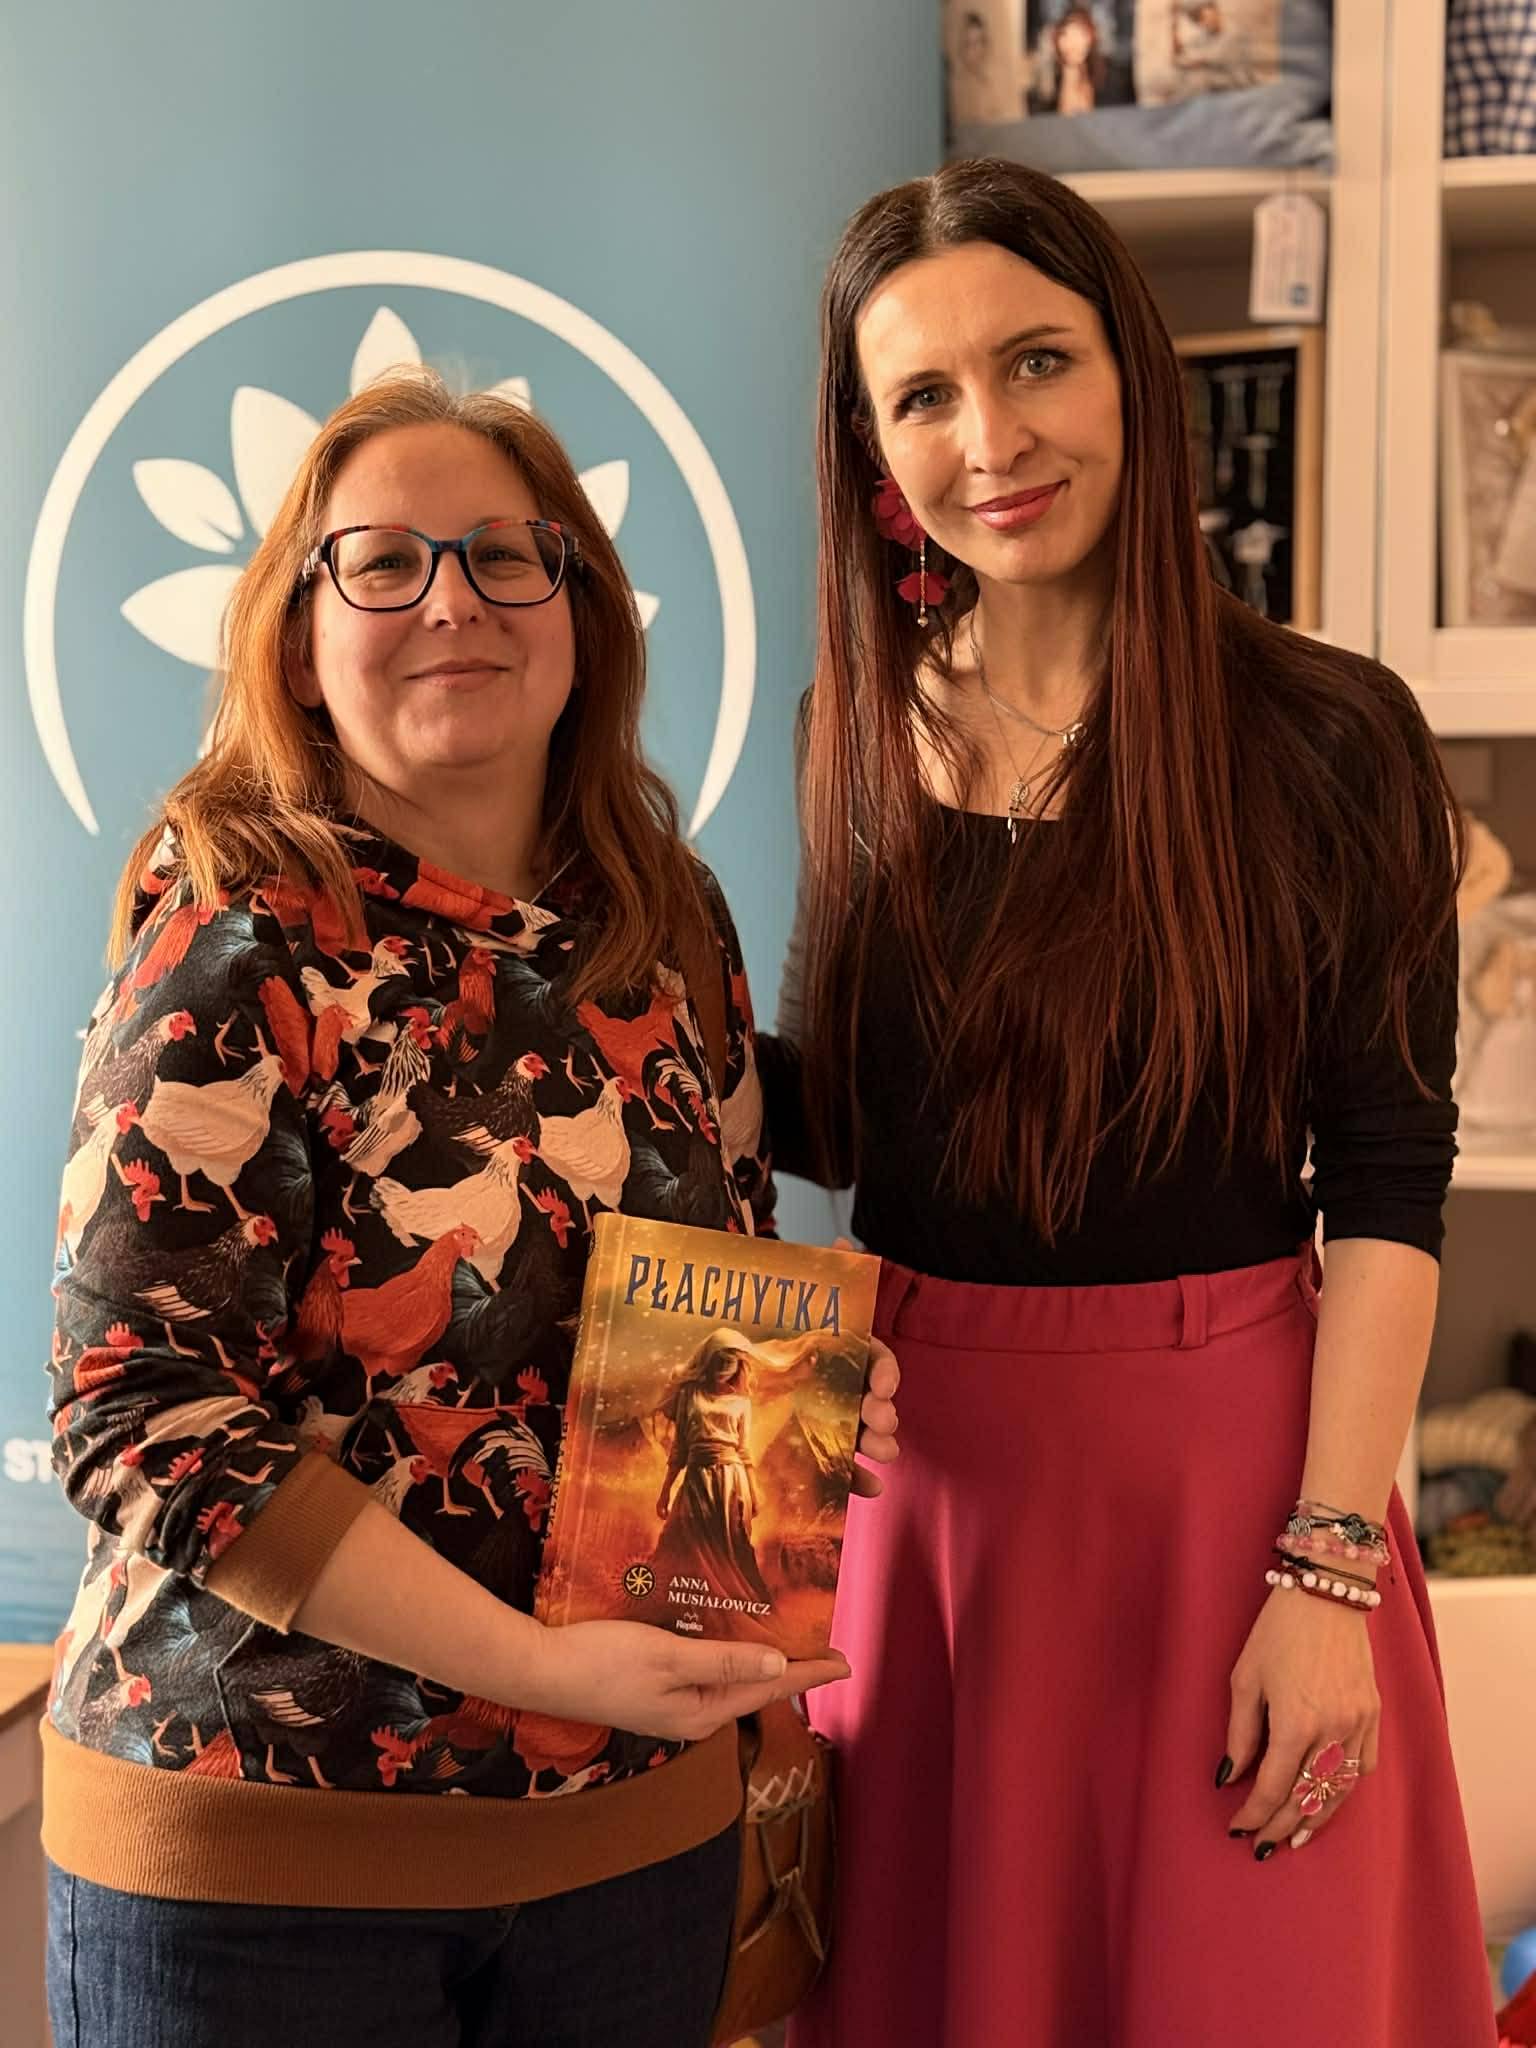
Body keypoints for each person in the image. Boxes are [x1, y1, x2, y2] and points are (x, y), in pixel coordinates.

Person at [42, 366, 899, 2048]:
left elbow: (713, 1276)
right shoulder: (232, 942)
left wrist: (788, 1417)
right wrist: (542, 1665)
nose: (455, 601)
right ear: (301, 639)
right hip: (266, 1869)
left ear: (579, 615)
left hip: (632, 1851)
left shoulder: (662, 914)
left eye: (509, 556)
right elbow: (140, 1419)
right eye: (384, 562)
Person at [758, 159, 1498, 2047]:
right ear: (871, 452)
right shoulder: (857, 723)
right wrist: (596, 1024)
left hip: (1235, 1501)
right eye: (923, 394)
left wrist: (1329, 1571)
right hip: (923, 1504)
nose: (989, 439)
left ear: (1133, 375)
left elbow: (1389, 1188)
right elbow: (856, 1124)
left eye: (1037, 362)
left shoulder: (1328, 734)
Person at [653, 1330, 777, 1610]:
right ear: (708, 1359)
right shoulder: (689, 1393)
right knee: (684, 1539)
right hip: (697, 1479)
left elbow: (744, 1451)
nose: (723, 1368)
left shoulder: (742, 1403)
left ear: (739, 1365)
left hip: (731, 1482)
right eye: (719, 1360)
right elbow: (680, 1447)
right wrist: (665, 1491)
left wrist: (754, 1491)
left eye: (730, 1362)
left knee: (730, 1544)